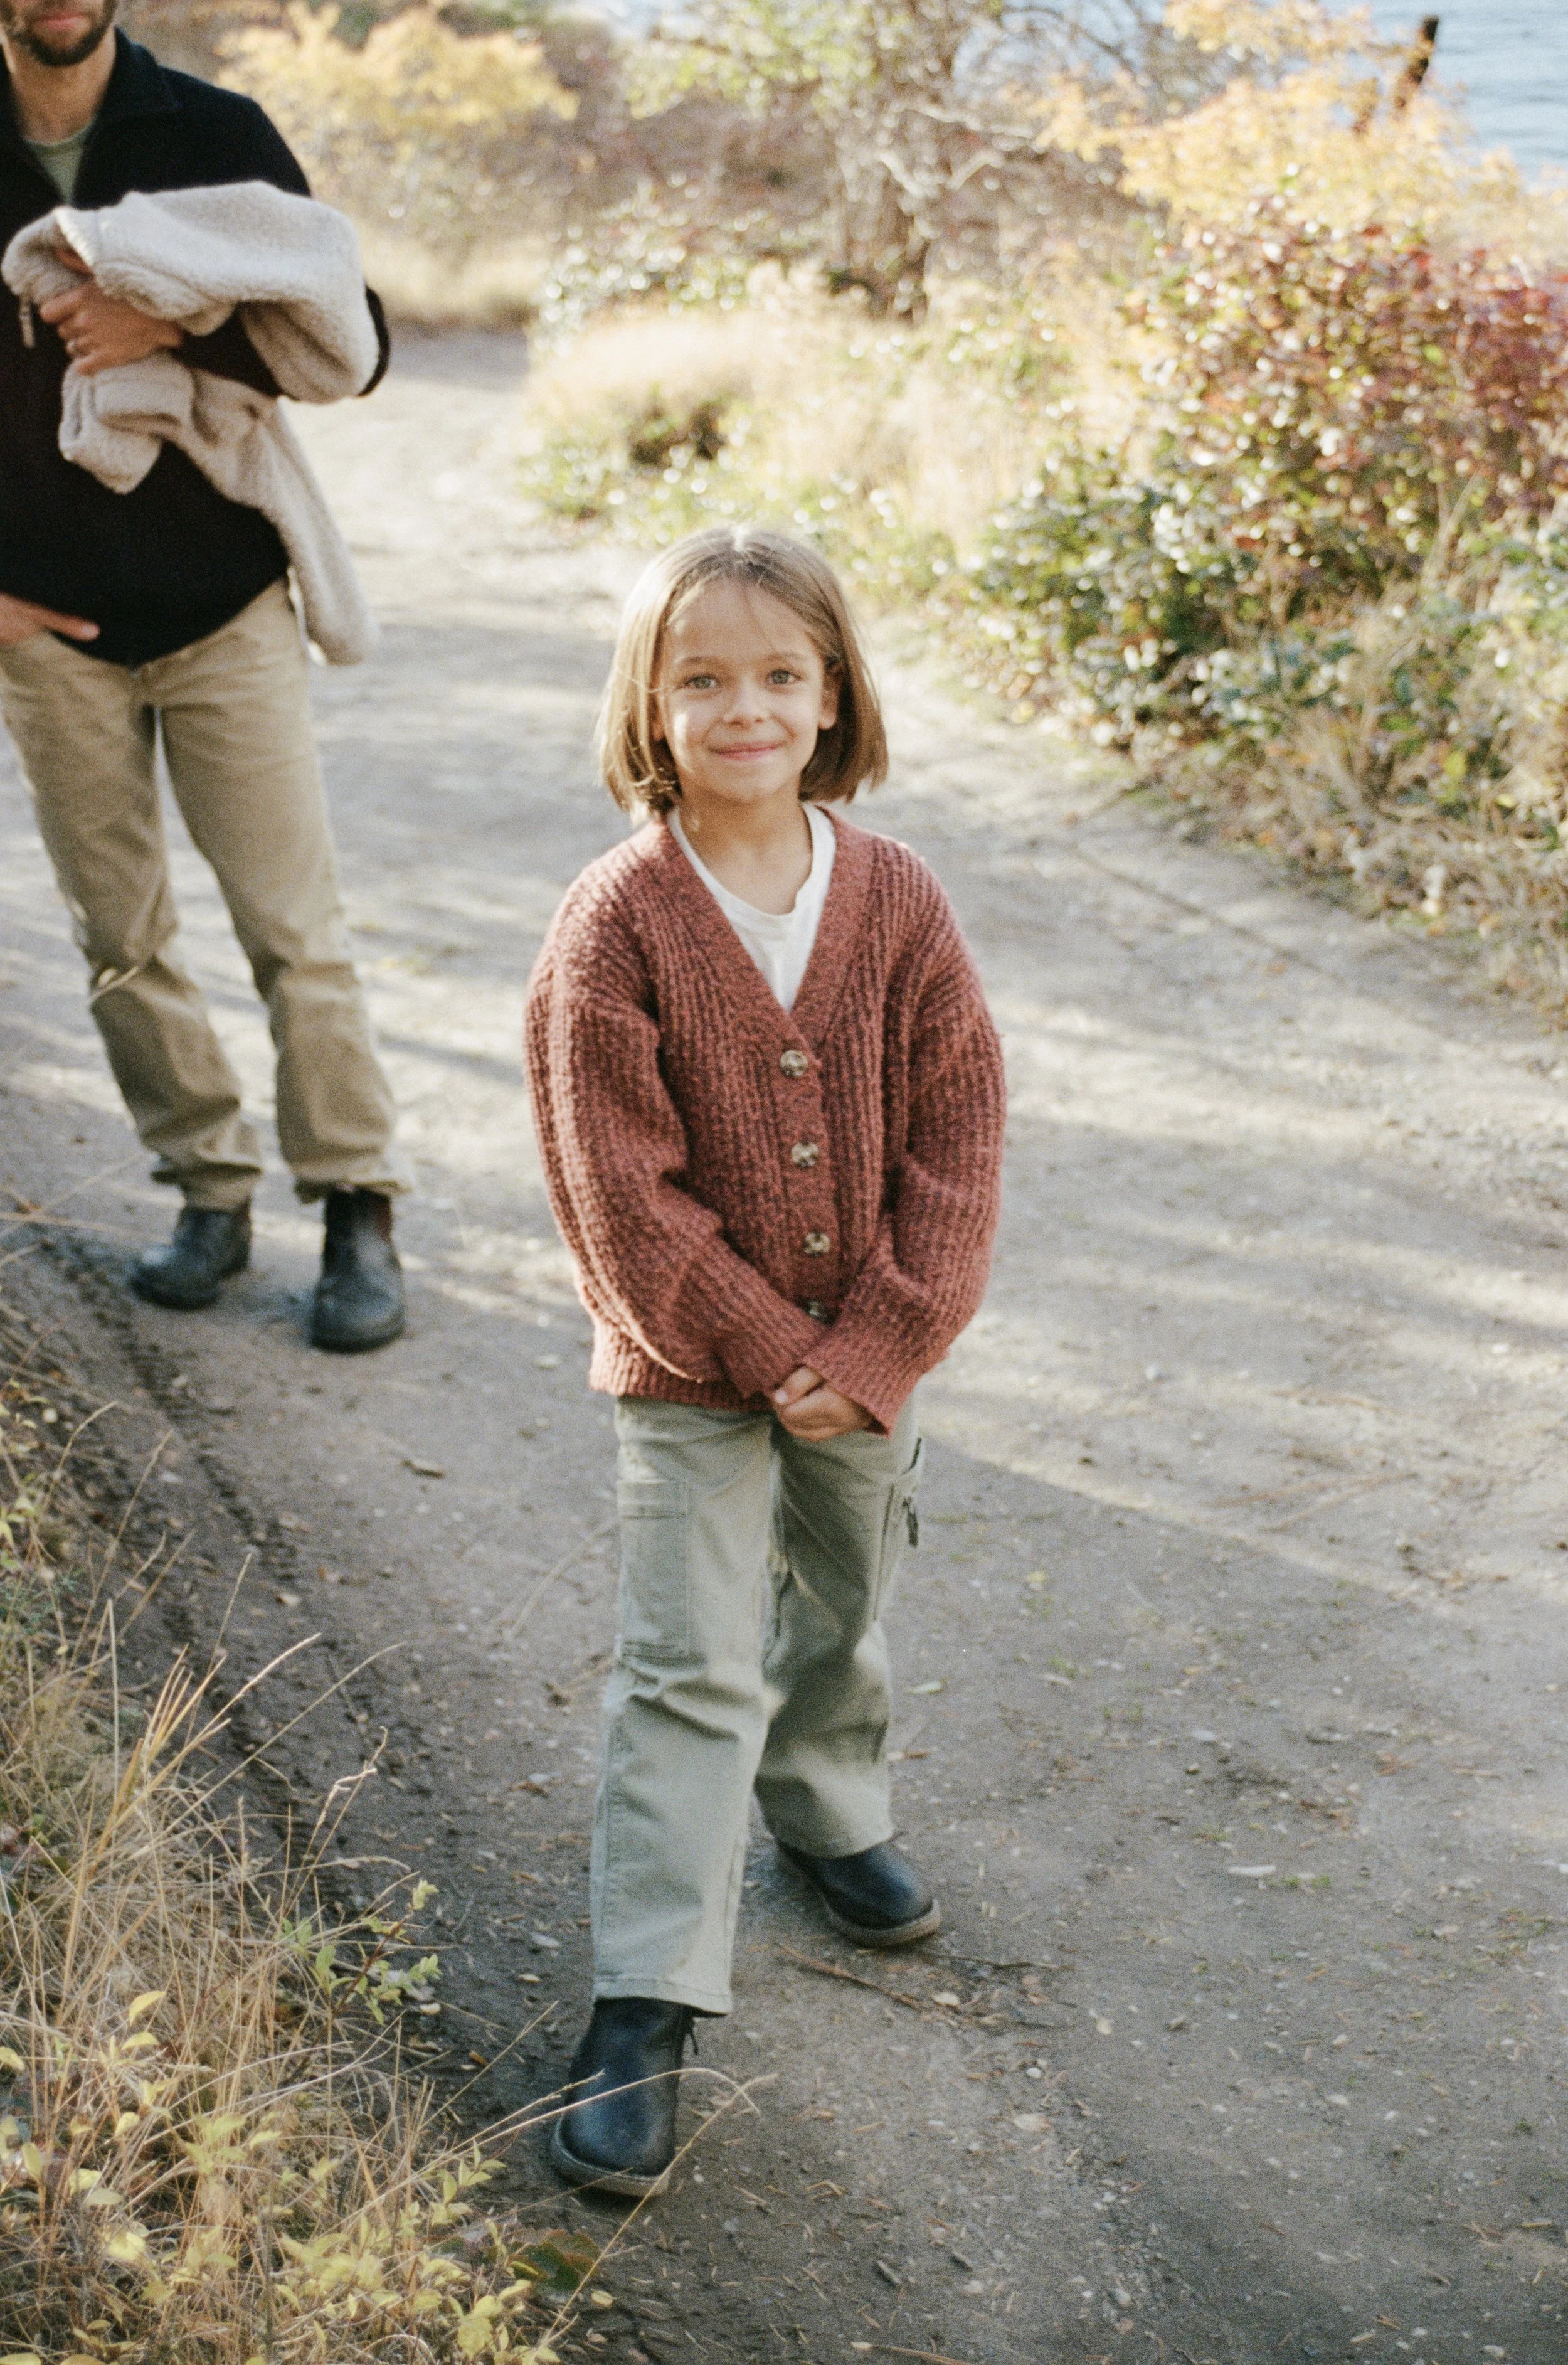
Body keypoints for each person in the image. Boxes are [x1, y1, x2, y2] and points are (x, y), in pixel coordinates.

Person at [524, 525, 1007, 2196]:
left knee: (838, 1596)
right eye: (703, 678)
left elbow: (958, 1136)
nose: (744, 705)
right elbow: (612, 1181)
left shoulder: (895, 901)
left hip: (867, 1355)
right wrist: (755, 1341)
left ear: (830, 696)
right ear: (652, 707)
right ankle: (644, 1993)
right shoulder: (620, 921)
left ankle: (822, 1801)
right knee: (684, 1664)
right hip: (686, 1372)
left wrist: (875, 1338)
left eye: (778, 676)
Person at [0, 0, 408, 1350]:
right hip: (48, 641)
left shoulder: (211, 131)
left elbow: (353, 337)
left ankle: (354, 1204)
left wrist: (170, 333)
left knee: (295, 930)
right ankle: (208, 1191)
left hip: (223, 608)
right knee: (120, 940)